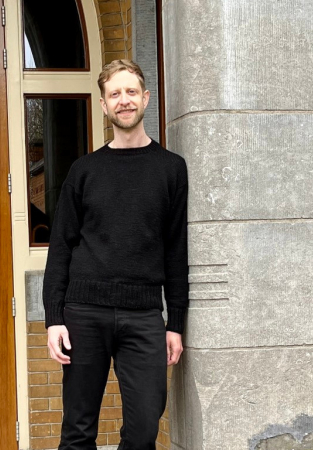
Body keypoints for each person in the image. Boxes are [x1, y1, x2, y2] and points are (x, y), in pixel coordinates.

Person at [43, 59, 189, 450]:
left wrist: (175, 323)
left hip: (143, 316)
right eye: (114, 94)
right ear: (104, 105)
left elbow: (176, 250)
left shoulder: (171, 169)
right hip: (83, 313)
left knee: (143, 433)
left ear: (145, 98)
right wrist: (54, 318)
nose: (123, 100)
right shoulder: (83, 170)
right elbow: (61, 247)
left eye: (130, 92)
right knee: (77, 432)